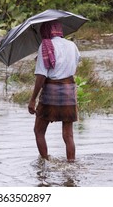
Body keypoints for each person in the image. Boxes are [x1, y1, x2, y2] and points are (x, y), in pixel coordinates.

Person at [28, 20, 80, 162]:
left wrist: (33, 99)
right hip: (69, 91)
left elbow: (41, 76)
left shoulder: (45, 46)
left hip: (50, 92)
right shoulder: (72, 45)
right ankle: (71, 166)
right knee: (68, 135)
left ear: (46, 31)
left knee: (39, 131)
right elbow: (74, 64)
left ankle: (44, 164)